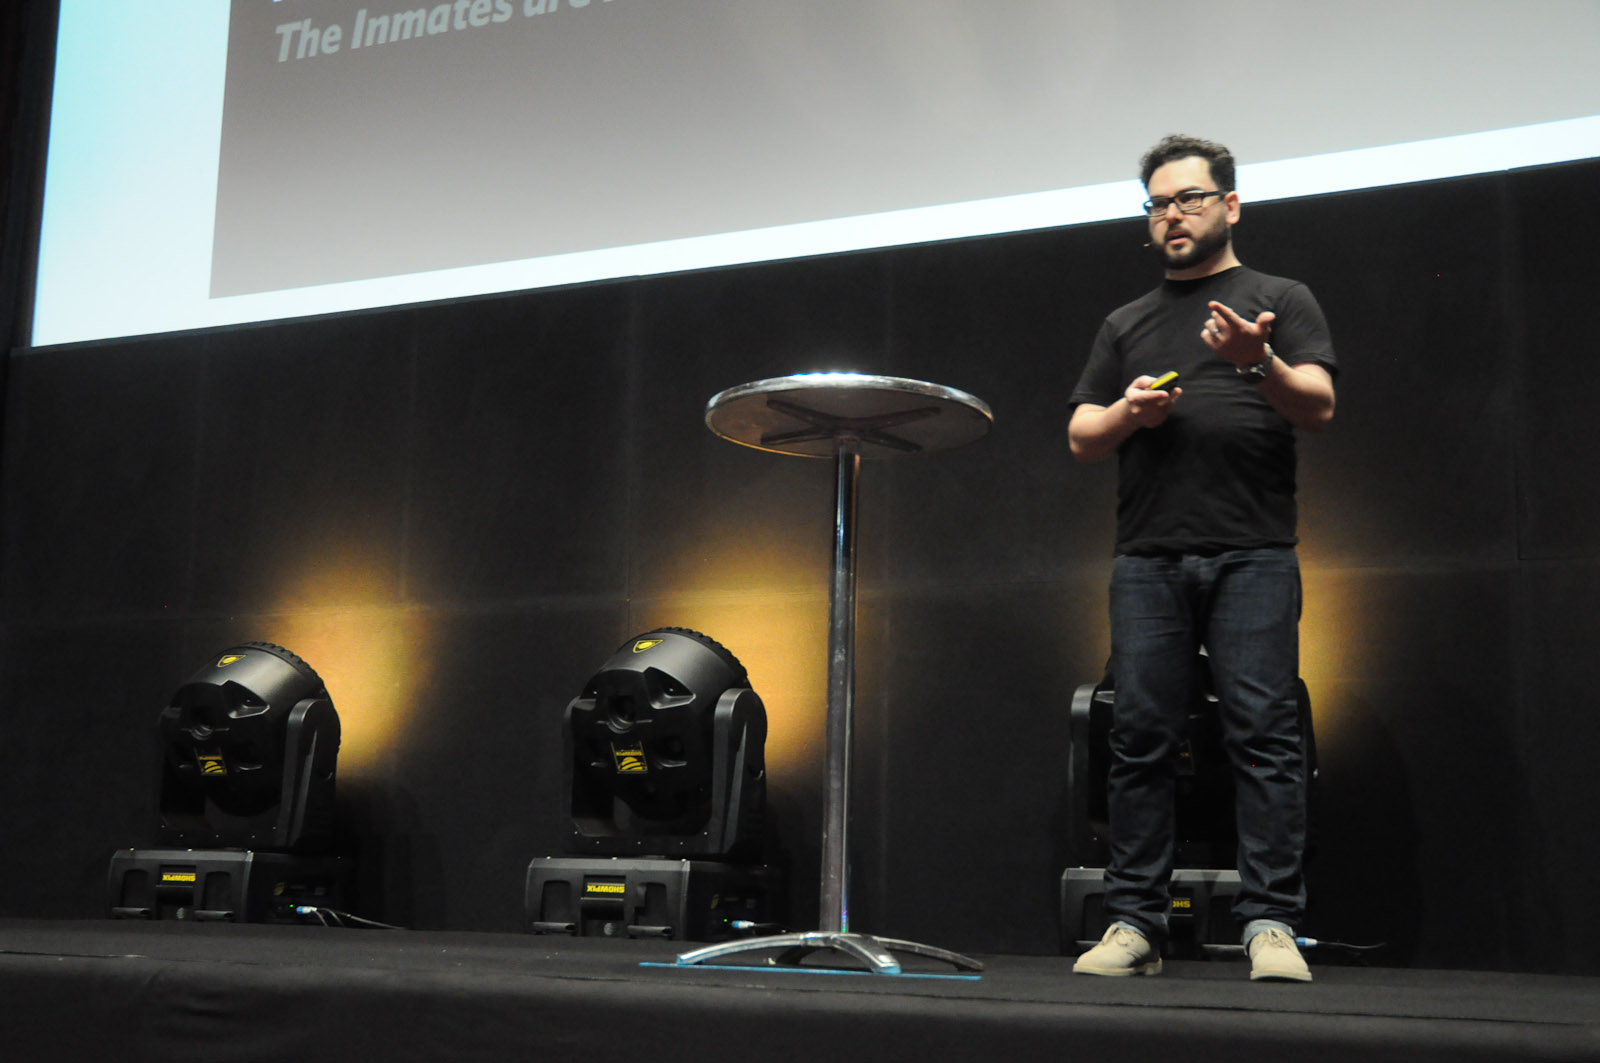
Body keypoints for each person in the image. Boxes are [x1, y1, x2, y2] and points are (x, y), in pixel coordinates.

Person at [1066, 134, 1337, 982]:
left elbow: (1319, 404)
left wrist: (1256, 361)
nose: (1170, 215)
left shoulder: (1280, 298)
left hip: (1254, 552)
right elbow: (1081, 434)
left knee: (1264, 736)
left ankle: (1270, 924)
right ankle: (1134, 923)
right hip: (1148, 558)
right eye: (1156, 204)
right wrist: (1128, 416)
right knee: (1140, 738)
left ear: (1230, 205)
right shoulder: (1126, 322)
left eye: (1186, 198)